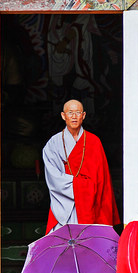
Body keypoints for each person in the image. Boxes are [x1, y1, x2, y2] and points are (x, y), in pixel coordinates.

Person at [42, 99, 120, 233]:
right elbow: (54, 177)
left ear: (83, 116)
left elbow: (102, 180)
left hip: (91, 204)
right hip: (64, 204)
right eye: (70, 112)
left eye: (77, 112)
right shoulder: (53, 143)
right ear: (63, 115)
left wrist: (89, 191)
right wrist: (81, 186)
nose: (74, 116)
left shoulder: (94, 142)